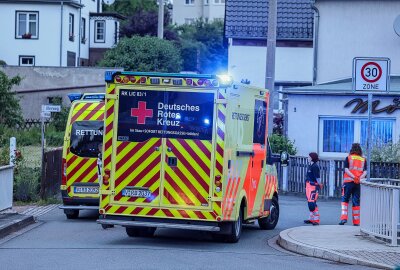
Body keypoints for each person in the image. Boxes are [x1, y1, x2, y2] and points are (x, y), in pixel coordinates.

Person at [339, 143, 367, 226]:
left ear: (352, 149)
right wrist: (359, 178)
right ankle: (356, 222)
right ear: (360, 150)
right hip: (357, 183)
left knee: (345, 200)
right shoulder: (363, 159)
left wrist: (353, 177)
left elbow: (346, 170)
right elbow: (365, 171)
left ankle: (343, 219)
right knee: (356, 201)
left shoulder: (348, 158)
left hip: (348, 182)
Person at [304, 152, 321, 225]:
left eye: (309, 157)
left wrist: (319, 185)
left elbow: (318, 178)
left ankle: (316, 220)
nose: (308, 158)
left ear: (312, 158)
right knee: (310, 202)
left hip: (313, 186)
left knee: (312, 203)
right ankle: (311, 219)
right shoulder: (310, 165)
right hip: (308, 186)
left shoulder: (315, 167)